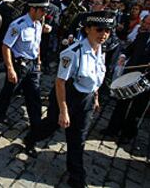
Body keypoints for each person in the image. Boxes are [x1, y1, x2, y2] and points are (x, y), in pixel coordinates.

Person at [24, 10, 115, 188]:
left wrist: (95, 96)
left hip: (86, 99)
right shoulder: (72, 52)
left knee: (77, 138)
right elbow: (60, 82)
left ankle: (76, 177)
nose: (104, 34)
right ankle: (30, 138)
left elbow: (96, 77)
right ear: (88, 29)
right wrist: (63, 111)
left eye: (107, 31)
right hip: (67, 96)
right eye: (99, 29)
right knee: (50, 125)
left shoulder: (100, 50)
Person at [0, 0, 48, 129]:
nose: (44, 13)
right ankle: (0, 114)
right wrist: (10, 68)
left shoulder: (38, 24)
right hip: (20, 64)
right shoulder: (18, 25)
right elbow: (6, 46)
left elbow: (37, 44)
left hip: (33, 64)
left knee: (34, 94)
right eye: (42, 10)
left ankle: (36, 121)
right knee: (9, 91)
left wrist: (39, 61)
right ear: (33, 9)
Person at [101, 13, 150, 143]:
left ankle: (127, 134)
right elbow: (129, 50)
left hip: (146, 79)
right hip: (130, 74)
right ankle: (112, 129)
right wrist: (123, 56)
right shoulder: (142, 36)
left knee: (136, 109)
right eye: (145, 23)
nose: (145, 26)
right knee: (121, 102)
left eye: (148, 24)